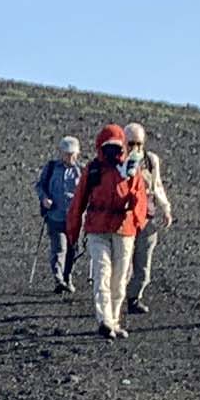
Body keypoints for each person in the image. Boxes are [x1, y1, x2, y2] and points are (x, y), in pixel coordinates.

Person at [62, 123, 153, 338]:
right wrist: (72, 232)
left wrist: (136, 222)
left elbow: (139, 200)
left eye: (116, 145)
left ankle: (113, 321)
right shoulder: (93, 169)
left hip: (123, 230)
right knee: (102, 273)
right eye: (108, 146)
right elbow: (78, 202)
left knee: (119, 279)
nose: (112, 150)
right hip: (99, 230)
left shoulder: (131, 168)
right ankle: (105, 320)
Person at [118, 122, 176, 314]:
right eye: (131, 143)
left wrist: (166, 208)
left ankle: (134, 298)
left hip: (145, 219)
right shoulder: (117, 161)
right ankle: (115, 301)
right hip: (124, 219)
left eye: (139, 143)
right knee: (123, 264)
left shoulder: (150, 161)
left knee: (143, 266)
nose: (135, 148)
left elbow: (157, 185)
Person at [35, 136, 84, 291]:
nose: (70, 157)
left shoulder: (82, 171)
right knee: (59, 248)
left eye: (72, 154)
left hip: (75, 219)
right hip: (55, 216)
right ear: (61, 153)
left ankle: (67, 277)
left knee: (73, 250)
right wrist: (44, 198)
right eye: (67, 154)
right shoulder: (51, 168)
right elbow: (40, 186)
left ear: (77, 154)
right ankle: (58, 279)